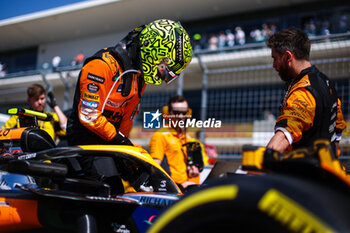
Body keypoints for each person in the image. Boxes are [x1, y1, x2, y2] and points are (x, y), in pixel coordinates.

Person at [66, 19, 192, 192]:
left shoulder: (139, 77)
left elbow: (127, 117)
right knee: (111, 187)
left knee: (150, 178)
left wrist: (126, 150)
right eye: (164, 66)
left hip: (112, 139)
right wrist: (120, 141)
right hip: (85, 136)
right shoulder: (101, 65)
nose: (162, 73)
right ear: (153, 49)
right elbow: (89, 115)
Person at [265, 28, 347, 155]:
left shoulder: (302, 91)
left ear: (288, 57)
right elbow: (338, 126)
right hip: (326, 167)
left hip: (303, 170)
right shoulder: (326, 81)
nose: (274, 65)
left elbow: (284, 135)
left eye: (275, 58)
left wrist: (258, 166)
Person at [149, 95, 209, 191]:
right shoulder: (160, 135)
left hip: (188, 186)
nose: (180, 116)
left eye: (184, 113)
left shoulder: (187, 137)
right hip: (173, 189)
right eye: (176, 113)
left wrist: (192, 168)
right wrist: (177, 186)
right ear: (169, 113)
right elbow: (154, 168)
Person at [2, 84, 67, 142]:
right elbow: (3, 135)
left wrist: (55, 106)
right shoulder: (18, 116)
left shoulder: (51, 116)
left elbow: (66, 128)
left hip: (47, 153)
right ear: (29, 100)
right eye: (36, 99)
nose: (40, 102)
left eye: (42, 98)